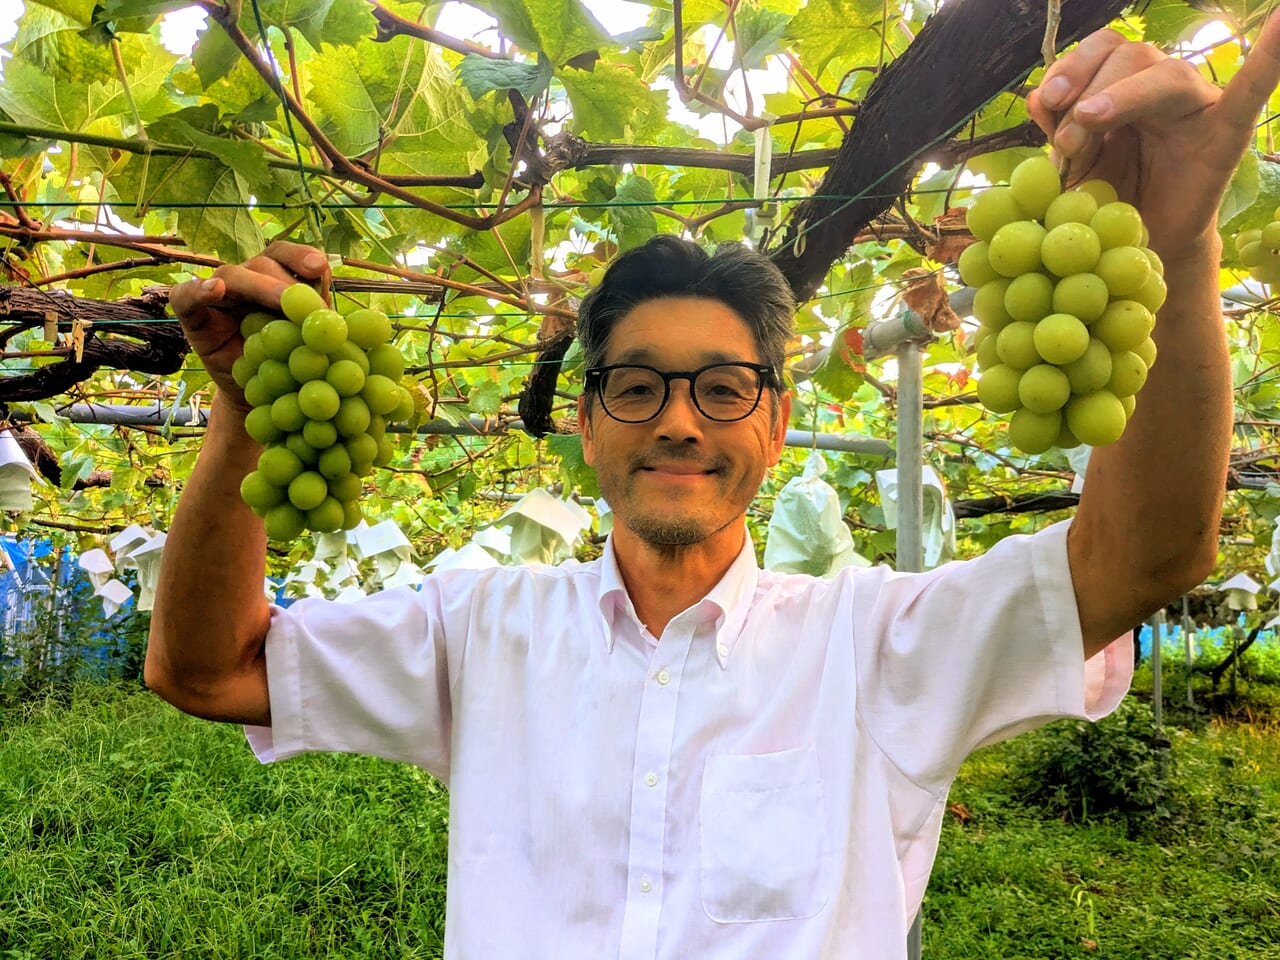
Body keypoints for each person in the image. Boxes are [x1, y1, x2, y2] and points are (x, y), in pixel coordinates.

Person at [147, 23, 1280, 959]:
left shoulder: (881, 642)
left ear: (775, 426)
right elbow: (204, 669)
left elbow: (1149, 556)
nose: (681, 420)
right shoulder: (478, 633)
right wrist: (243, 422)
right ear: (586, 423)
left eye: (724, 389)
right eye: (637, 387)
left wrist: (1175, 253)